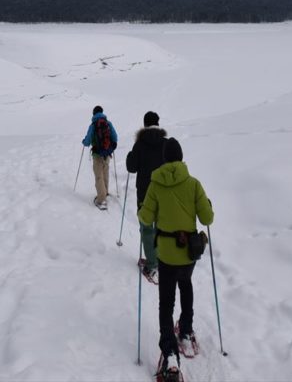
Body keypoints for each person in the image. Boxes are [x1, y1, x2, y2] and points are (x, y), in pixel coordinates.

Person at [138, 138, 214, 379]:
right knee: (187, 286)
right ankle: (186, 329)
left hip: (166, 254)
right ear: (181, 157)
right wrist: (206, 205)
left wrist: (144, 207)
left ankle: (170, 354)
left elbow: (145, 217)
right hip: (188, 252)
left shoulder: (156, 184)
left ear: (164, 158)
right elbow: (207, 218)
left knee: (166, 303)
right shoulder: (193, 184)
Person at [125, 110, 167, 281]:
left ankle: (152, 264)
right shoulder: (166, 143)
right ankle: (160, 259)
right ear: (158, 123)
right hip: (164, 193)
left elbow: (131, 168)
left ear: (145, 124)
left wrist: (130, 156)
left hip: (144, 193)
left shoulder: (140, 144)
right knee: (160, 227)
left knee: (147, 228)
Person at [81, 105, 118, 209]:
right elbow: (115, 137)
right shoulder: (108, 123)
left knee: (98, 176)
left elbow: (87, 142)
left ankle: (101, 199)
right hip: (107, 153)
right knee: (105, 173)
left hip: (97, 154)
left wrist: (84, 142)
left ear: (93, 113)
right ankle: (105, 192)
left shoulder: (93, 125)